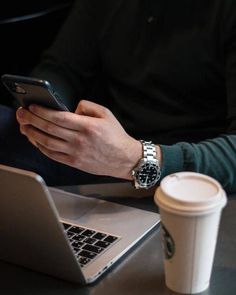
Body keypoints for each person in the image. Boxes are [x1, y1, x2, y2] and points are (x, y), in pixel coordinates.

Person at [1, 0, 236, 192]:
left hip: (185, 174)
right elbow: (63, 68)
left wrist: (132, 158)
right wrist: (48, 114)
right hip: (101, 150)